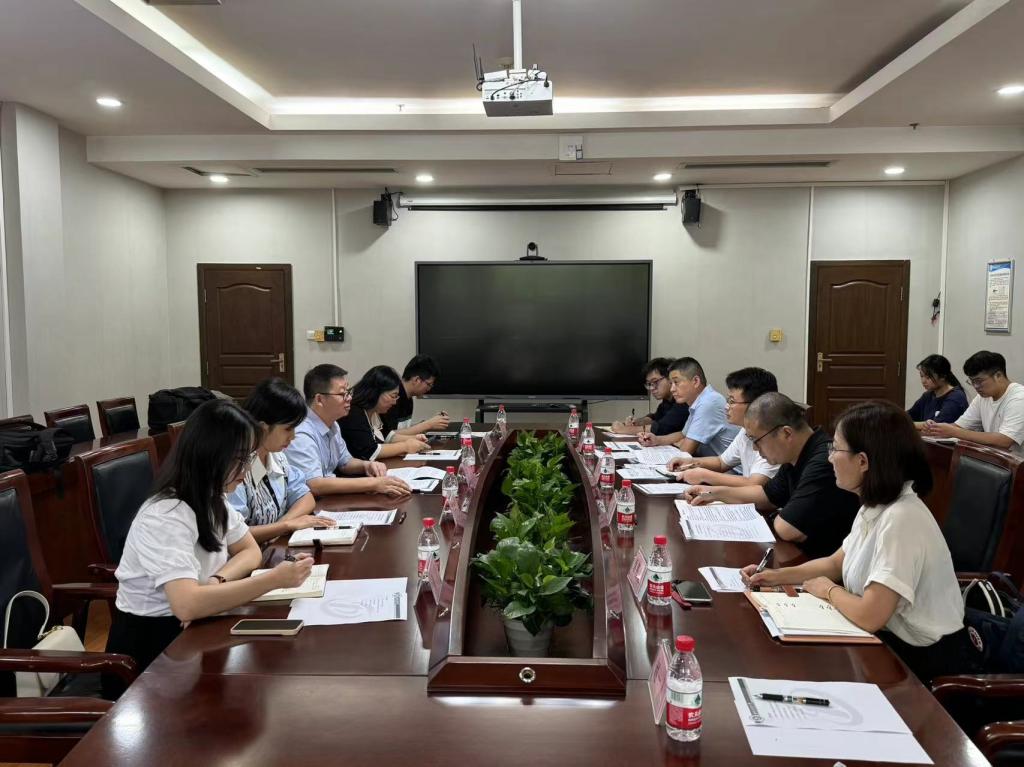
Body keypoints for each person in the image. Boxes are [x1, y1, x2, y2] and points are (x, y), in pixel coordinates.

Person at [741, 401, 980, 685]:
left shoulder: (901, 518)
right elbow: (836, 562)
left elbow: (870, 615)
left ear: (863, 461)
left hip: (922, 661)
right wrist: (775, 576)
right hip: (887, 643)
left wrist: (828, 590)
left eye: (836, 449)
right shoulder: (875, 504)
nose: (830, 458)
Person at [105, 400, 314, 692]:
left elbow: (250, 550)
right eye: (239, 460)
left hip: (197, 631)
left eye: (248, 458)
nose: (246, 470)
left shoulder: (213, 497)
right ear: (211, 455)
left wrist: (217, 581)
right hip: (151, 656)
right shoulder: (166, 514)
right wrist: (273, 580)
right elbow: (186, 605)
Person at [684, 392, 859, 558]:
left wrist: (776, 516)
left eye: (756, 440)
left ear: (786, 433)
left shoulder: (823, 461)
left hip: (823, 563)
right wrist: (713, 493)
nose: (754, 448)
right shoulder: (795, 455)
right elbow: (767, 495)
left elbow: (787, 529)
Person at [227, 378, 336, 544]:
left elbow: (306, 498)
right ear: (263, 428)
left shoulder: (277, 456)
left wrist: (283, 524)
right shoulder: (235, 469)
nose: (293, 436)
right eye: (287, 429)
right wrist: (286, 526)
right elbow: (234, 535)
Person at [285, 364, 411, 497]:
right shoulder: (301, 433)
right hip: (312, 503)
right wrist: (373, 484)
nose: (349, 398)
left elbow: (345, 462)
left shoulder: (333, 424)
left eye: (348, 391)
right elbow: (315, 485)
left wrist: (366, 465)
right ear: (319, 399)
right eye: (342, 394)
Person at [667, 367, 780, 487]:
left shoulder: (772, 437)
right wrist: (690, 462)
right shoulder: (745, 431)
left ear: (756, 405)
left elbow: (754, 484)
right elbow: (721, 462)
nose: (726, 407)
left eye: (732, 401)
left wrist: (704, 476)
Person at [924, 350, 1024, 456]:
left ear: (998, 375)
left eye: (979, 381)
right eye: (972, 381)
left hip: (1017, 463)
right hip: (993, 460)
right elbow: (960, 426)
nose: (976, 386)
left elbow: (1004, 440)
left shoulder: (1019, 398)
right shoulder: (983, 397)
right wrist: (936, 428)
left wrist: (953, 432)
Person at [638, 357, 738, 457]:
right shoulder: (699, 401)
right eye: (671, 384)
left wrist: (683, 443)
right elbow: (683, 434)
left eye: (676, 382)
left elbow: (685, 451)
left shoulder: (709, 402)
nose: (672, 389)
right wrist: (657, 440)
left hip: (729, 467)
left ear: (696, 381)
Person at [339, 365, 431, 460]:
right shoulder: (353, 413)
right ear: (376, 392)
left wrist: (413, 439)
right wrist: (406, 446)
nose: (395, 402)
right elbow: (370, 451)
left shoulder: (374, 411)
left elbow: (386, 436)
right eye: (393, 396)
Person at [611, 357, 690, 436]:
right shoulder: (667, 401)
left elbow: (663, 428)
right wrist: (640, 421)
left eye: (655, 382)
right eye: (649, 384)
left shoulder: (683, 400)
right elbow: (656, 417)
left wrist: (624, 429)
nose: (652, 388)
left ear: (670, 378)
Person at [381, 354, 450, 438]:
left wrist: (431, 423)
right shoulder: (392, 398)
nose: (429, 389)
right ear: (417, 380)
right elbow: (388, 436)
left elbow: (404, 430)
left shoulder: (408, 398)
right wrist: (428, 424)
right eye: (429, 384)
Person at [907, 354, 968, 428]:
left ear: (942, 376)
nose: (923, 381)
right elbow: (908, 417)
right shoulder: (927, 395)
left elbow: (936, 427)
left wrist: (909, 424)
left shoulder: (956, 397)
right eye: (922, 376)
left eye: (928, 377)